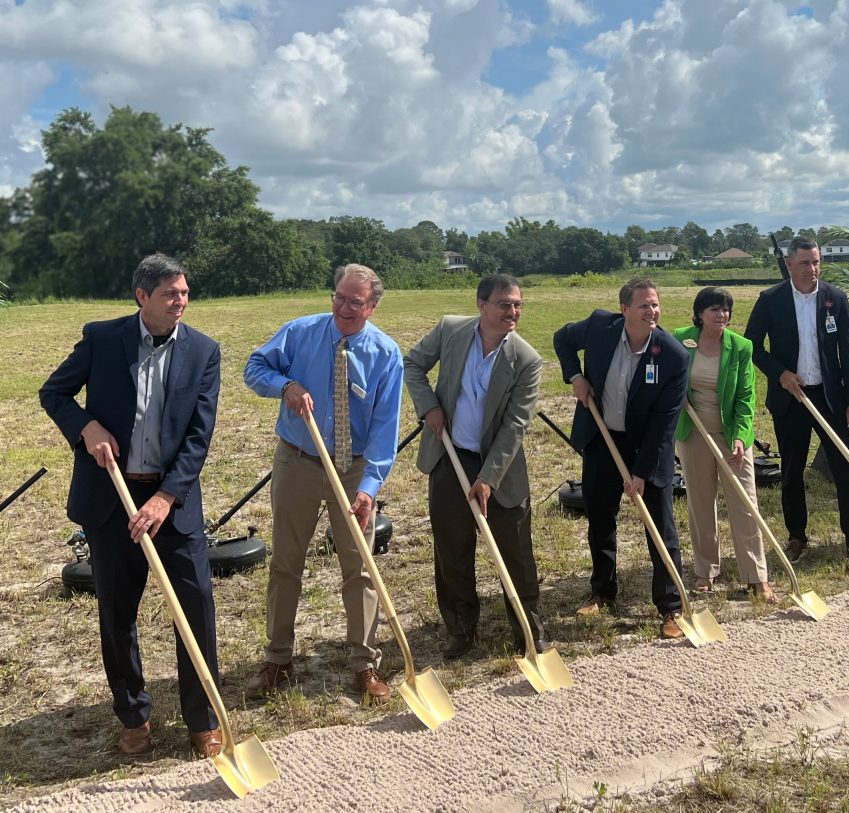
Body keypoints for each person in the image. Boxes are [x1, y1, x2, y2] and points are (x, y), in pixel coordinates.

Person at [39, 253, 223, 758]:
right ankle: (135, 717)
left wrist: (167, 496)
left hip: (173, 500)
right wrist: (86, 428)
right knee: (117, 613)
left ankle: (203, 719)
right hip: (111, 497)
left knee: (197, 607)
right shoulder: (102, 339)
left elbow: (198, 436)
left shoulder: (203, 351)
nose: (180, 301)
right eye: (170, 294)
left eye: (185, 292)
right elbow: (53, 393)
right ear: (142, 297)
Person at [242, 263, 403, 704]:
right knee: (286, 561)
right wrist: (285, 385)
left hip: (353, 469)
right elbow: (254, 367)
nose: (344, 307)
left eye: (356, 301)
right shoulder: (300, 332)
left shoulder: (386, 355)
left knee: (360, 566)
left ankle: (364, 663)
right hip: (298, 459)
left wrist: (369, 486)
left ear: (372, 306)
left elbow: (386, 430)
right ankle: (277, 659)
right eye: (339, 297)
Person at [404, 274, 549, 659]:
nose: (513, 312)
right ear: (481, 304)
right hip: (450, 457)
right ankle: (461, 628)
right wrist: (429, 406)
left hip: (500, 467)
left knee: (515, 552)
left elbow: (515, 425)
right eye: (505, 304)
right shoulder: (451, 330)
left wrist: (488, 478)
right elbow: (413, 365)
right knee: (452, 547)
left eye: (518, 304)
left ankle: (528, 631)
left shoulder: (527, 360)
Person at [553, 278, 690, 639]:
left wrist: (642, 473)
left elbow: (665, 424)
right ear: (625, 309)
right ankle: (602, 591)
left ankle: (671, 605)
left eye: (656, 305)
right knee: (600, 517)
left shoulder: (673, 356)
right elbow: (562, 340)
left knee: (660, 525)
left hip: (648, 446)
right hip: (602, 437)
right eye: (644, 305)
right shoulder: (600, 326)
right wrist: (576, 376)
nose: (652, 312)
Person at [744, 236, 849, 567]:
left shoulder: (835, 299)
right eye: (805, 263)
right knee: (792, 471)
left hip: (830, 398)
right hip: (792, 397)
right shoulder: (771, 299)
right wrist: (780, 374)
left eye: (816, 262)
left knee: (847, 470)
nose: (812, 269)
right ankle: (797, 537)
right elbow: (752, 346)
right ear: (789, 264)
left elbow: (848, 353)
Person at [673, 287, 776, 602]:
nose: (722, 315)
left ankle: (757, 577)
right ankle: (705, 572)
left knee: (745, 505)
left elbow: (746, 398)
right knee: (701, 504)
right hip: (693, 435)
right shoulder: (681, 339)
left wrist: (740, 438)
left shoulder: (740, 347)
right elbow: (668, 379)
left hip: (732, 436)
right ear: (700, 313)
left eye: (726, 310)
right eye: (715, 309)